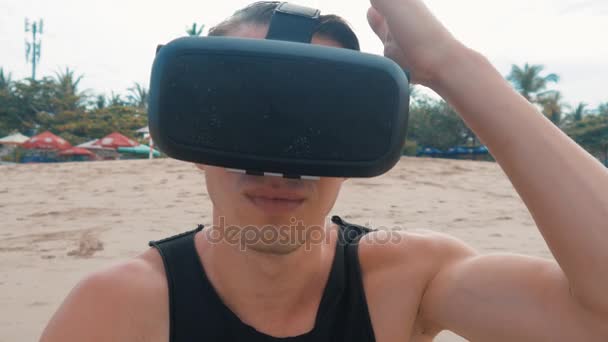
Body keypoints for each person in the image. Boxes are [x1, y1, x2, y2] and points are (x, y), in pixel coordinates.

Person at [40, 0, 608, 341]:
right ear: (195, 135)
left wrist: (449, 64)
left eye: (319, 121)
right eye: (246, 115)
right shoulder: (116, 309)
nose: (279, 166)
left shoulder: (411, 282)